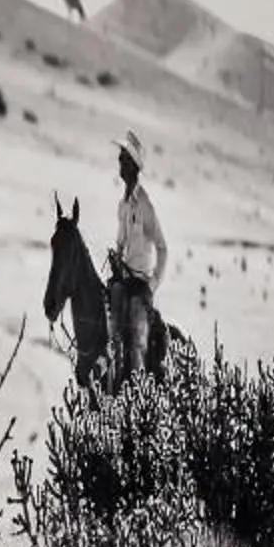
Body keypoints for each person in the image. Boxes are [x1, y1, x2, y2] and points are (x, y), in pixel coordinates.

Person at [109, 130, 171, 385]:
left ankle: (136, 393)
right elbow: (122, 242)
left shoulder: (145, 205)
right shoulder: (123, 205)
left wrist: (153, 283)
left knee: (135, 340)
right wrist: (116, 256)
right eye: (120, 159)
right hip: (124, 280)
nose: (120, 165)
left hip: (141, 286)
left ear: (134, 166)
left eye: (124, 160)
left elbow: (162, 247)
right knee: (108, 331)